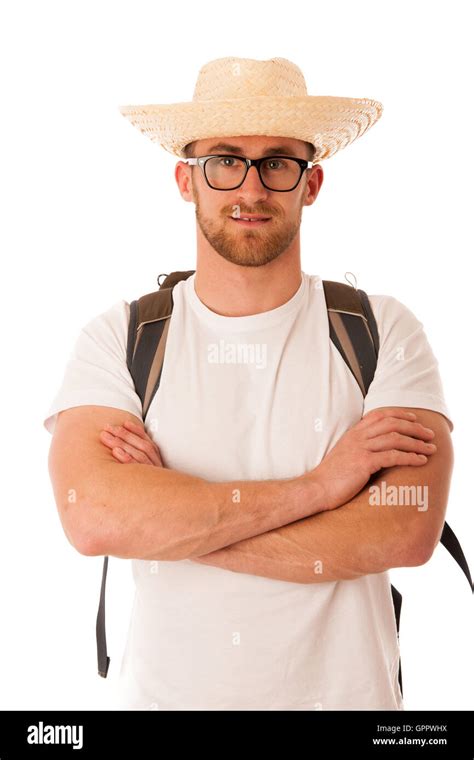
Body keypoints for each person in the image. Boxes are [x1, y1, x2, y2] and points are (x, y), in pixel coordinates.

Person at [44, 56, 453, 710]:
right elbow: (93, 518)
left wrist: (171, 524)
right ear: (187, 179)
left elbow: (403, 532)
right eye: (225, 160)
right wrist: (320, 489)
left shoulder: (380, 331)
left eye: (277, 163)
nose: (252, 189)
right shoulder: (117, 340)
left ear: (311, 183)